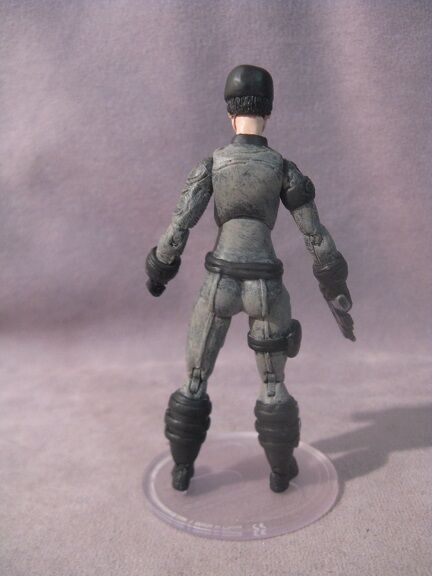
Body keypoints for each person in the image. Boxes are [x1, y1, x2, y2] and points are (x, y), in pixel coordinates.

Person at [145, 64, 355, 493]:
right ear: (269, 113)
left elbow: (180, 226)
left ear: (230, 114)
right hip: (266, 284)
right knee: (274, 383)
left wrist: (159, 270)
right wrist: (335, 288)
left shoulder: (213, 165)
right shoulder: (283, 169)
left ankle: (182, 468)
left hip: (219, 280)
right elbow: (315, 235)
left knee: (195, 379)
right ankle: (280, 471)